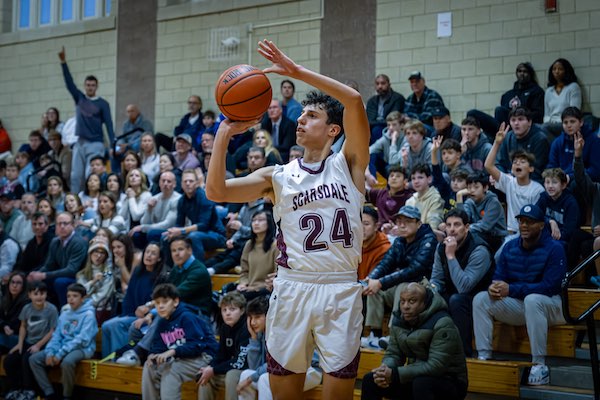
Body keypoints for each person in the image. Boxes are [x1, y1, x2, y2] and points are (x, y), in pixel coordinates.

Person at [206, 40, 369, 399]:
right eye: (301, 114)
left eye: (311, 116)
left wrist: (296, 72)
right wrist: (223, 134)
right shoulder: (276, 176)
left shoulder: (349, 164)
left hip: (340, 289)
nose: (301, 119)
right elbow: (216, 191)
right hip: (292, 288)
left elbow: (354, 102)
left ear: (333, 131)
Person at [473, 204, 567, 386]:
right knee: (481, 298)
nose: (523, 225)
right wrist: (495, 287)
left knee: (533, 300)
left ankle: (539, 364)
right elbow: (499, 278)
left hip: (554, 306)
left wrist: (512, 290)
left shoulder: (555, 248)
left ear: (541, 225)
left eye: (529, 222)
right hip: (522, 305)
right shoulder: (509, 247)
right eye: (521, 221)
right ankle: (484, 356)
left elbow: (550, 287)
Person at [361, 282, 468, 400]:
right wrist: (384, 371)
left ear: (424, 303)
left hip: (450, 382)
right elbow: (393, 353)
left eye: (412, 301)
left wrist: (395, 375)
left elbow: (436, 366)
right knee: (370, 380)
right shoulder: (400, 319)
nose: (405, 306)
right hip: (416, 377)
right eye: (402, 301)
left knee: (422, 383)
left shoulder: (443, 323)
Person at [362, 206, 437, 349]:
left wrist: (381, 282)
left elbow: (414, 270)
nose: (402, 225)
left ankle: (394, 334)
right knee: (374, 289)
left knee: (403, 288)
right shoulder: (399, 241)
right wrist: (370, 280)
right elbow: (385, 264)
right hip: (406, 286)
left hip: (427, 287)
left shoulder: (428, 239)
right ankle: (375, 335)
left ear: (418, 223)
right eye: (399, 221)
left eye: (407, 221)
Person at [430, 209, 493, 357]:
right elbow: (437, 278)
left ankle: (462, 354)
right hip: (452, 293)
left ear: (467, 227)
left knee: (457, 300)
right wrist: (431, 290)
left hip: (478, 298)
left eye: (457, 225)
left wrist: (451, 256)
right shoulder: (441, 247)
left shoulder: (479, 250)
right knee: (425, 297)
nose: (451, 229)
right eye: (448, 225)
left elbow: (464, 287)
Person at [141, 283, 218, 400]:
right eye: (157, 303)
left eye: (165, 302)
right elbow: (158, 345)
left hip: (204, 357)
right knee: (150, 366)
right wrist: (152, 354)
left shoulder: (187, 317)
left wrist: (173, 352)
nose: (160, 306)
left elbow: (197, 345)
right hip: (182, 358)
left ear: (176, 302)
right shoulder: (162, 322)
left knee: (172, 369)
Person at [58, 47, 114, 194]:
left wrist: (112, 145)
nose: (90, 87)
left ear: (97, 86)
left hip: (96, 143)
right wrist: (63, 62)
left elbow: (109, 125)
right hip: (80, 143)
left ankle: (93, 202)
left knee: (91, 176)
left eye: (93, 85)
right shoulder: (80, 98)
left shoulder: (103, 103)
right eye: (88, 85)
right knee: (75, 176)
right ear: (85, 86)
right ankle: (75, 203)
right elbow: (69, 84)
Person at [29, 283, 98, 400]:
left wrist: (60, 354)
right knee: (34, 359)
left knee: (67, 362)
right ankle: (50, 394)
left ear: (83, 298)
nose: (71, 299)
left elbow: (82, 339)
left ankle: (67, 396)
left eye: (75, 296)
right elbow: (56, 336)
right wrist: (51, 352)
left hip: (83, 348)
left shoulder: (89, 314)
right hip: (63, 346)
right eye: (68, 296)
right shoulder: (65, 313)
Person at [101, 242, 167, 357]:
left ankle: (119, 360)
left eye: (153, 253)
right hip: (133, 313)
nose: (149, 256)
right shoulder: (138, 271)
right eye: (147, 252)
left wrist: (146, 311)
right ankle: (107, 361)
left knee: (116, 325)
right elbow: (129, 295)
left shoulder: (162, 276)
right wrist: (127, 313)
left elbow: (161, 301)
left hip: (150, 317)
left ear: (159, 258)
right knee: (105, 326)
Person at [485, 123, 545, 235]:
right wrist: (497, 143)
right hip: (511, 233)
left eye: (522, 162)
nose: (518, 164)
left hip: (530, 233)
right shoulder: (509, 182)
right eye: (515, 162)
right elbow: (488, 165)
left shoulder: (538, 190)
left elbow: (538, 217)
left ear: (531, 168)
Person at [3, 280, 58, 400]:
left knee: (26, 359)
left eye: (42, 294)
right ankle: (15, 389)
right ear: (29, 295)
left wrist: (38, 345)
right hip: (28, 342)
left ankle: (29, 390)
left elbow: (52, 331)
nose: (39, 297)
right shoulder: (26, 308)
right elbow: (23, 326)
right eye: (35, 294)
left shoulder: (52, 309)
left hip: (44, 344)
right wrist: (20, 344)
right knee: (9, 360)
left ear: (46, 294)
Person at [467, 62, 545, 139]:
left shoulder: (537, 92)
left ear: (530, 74)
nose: (522, 74)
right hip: (502, 126)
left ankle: (503, 137)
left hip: (521, 126)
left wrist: (519, 118)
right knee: (472, 113)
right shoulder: (507, 95)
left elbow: (538, 115)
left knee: (499, 110)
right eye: (519, 71)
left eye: (525, 71)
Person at [163, 170, 226, 262]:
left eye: (191, 181)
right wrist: (172, 232)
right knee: (165, 238)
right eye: (185, 181)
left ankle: (197, 271)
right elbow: (179, 224)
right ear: (181, 184)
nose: (188, 184)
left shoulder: (205, 197)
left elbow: (203, 225)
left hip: (216, 235)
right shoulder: (182, 200)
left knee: (194, 237)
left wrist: (181, 230)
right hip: (198, 233)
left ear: (197, 183)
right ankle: (171, 271)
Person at [197, 291, 250, 400]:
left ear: (242, 311)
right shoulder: (224, 328)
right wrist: (210, 367)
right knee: (206, 377)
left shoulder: (247, 328)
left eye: (232, 309)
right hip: (235, 366)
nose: (227, 313)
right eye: (224, 310)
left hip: (248, 369)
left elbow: (240, 362)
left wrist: (214, 370)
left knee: (231, 375)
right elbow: (221, 356)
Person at [28, 212, 88, 307]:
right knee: (34, 280)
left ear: (73, 225)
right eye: (59, 224)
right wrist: (36, 274)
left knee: (59, 282)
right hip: (62, 275)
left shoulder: (78, 242)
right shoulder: (55, 242)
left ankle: (64, 310)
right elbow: (49, 265)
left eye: (65, 223)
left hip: (78, 278)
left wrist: (44, 275)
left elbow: (72, 270)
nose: (62, 227)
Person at [494, 107, 550, 183]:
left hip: (533, 181)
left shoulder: (540, 139)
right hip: (510, 179)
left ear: (529, 122)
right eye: (513, 120)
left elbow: (537, 170)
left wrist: (512, 178)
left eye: (520, 119)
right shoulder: (508, 137)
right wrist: (500, 175)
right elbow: (499, 163)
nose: (516, 123)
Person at [129, 171, 182, 249]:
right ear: (159, 183)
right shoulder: (154, 198)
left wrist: (143, 227)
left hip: (171, 230)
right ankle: (143, 256)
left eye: (169, 181)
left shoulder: (178, 199)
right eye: (163, 181)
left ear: (174, 184)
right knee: (136, 234)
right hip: (155, 228)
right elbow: (144, 222)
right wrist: (149, 210)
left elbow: (167, 225)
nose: (165, 184)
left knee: (152, 233)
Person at [457, 172, 507, 253]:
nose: (472, 190)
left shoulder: (493, 202)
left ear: (485, 188)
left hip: (497, 238)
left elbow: (485, 226)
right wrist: (459, 197)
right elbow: (462, 220)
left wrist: (464, 228)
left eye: (476, 187)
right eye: (469, 187)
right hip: (479, 235)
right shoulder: (470, 201)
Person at [236, 210, 279, 300]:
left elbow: (277, 274)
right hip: (249, 288)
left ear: (269, 223)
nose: (256, 223)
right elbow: (244, 271)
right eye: (254, 220)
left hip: (266, 290)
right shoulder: (249, 244)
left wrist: (260, 287)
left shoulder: (275, 245)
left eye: (260, 220)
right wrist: (243, 283)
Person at [75, 237, 115, 324]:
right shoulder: (81, 274)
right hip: (82, 305)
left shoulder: (108, 273)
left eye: (102, 253)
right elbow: (80, 292)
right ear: (90, 253)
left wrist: (86, 303)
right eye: (96, 251)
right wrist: (93, 282)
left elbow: (104, 296)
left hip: (100, 308)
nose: (99, 256)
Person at [366, 164, 413, 235]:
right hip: (378, 233)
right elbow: (361, 191)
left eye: (398, 176)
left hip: (398, 234)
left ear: (405, 181)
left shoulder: (409, 197)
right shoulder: (381, 192)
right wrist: (366, 174)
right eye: (391, 176)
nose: (394, 178)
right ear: (387, 180)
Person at [543, 58, 582, 138]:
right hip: (550, 124)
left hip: (566, 122)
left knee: (542, 128)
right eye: (554, 69)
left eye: (560, 69)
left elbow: (574, 111)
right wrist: (548, 122)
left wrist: (561, 121)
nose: (556, 72)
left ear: (566, 71)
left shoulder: (573, 87)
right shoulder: (549, 91)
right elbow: (546, 114)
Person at [113, 104, 154, 173]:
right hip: (127, 147)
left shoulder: (146, 123)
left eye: (132, 111)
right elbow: (123, 137)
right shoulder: (126, 124)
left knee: (136, 145)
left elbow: (146, 137)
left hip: (138, 146)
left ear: (138, 112)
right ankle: (117, 174)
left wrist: (128, 144)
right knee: (114, 151)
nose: (130, 113)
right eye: (128, 112)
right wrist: (119, 145)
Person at [366, 74, 405, 143]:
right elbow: (369, 120)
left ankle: (375, 153)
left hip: (391, 127)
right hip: (373, 127)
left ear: (389, 84)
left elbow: (393, 118)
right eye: (377, 84)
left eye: (383, 83)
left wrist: (377, 122)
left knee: (376, 130)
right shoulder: (372, 101)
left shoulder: (397, 98)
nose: (380, 86)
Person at [405, 164, 445, 230]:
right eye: (413, 178)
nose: (416, 181)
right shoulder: (409, 201)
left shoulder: (436, 199)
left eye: (420, 177)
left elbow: (432, 226)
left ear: (429, 179)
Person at [0, 272, 29, 354]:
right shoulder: (5, 299)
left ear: (23, 286)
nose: (14, 285)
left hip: (19, 338)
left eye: (18, 283)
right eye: (12, 282)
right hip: (5, 334)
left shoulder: (26, 302)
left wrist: (4, 326)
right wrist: (3, 325)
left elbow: (15, 325)